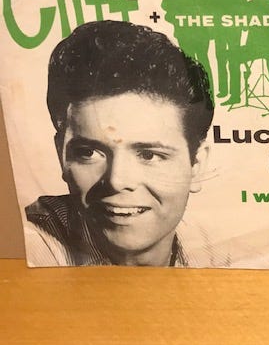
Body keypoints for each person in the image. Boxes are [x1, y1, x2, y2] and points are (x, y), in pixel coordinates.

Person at [24, 21, 220, 267]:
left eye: (148, 155)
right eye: (89, 152)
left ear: (197, 165)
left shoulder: (224, 254)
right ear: (61, 154)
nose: (117, 181)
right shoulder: (31, 243)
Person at [161, 0, 215, 100]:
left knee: (190, 61)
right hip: (194, 26)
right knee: (200, 60)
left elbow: (165, 4)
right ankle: (206, 94)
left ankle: (199, 94)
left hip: (190, 26)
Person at [209, 0, 247, 106]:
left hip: (222, 28)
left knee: (222, 59)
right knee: (232, 60)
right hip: (232, 29)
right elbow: (243, 9)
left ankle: (228, 92)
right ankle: (231, 92)